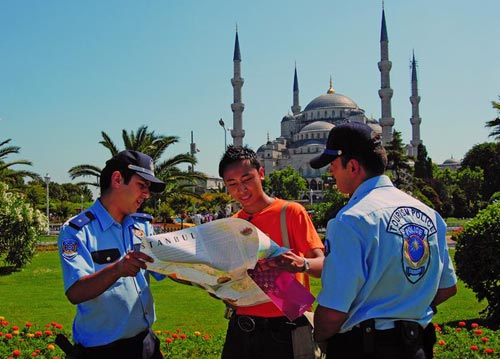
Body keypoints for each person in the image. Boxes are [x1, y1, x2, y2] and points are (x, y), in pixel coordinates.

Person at [310, 122, 457, 358]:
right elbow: (447, 287)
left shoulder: (351, 220)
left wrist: (320, 337)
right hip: (416, 346)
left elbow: (333, 311)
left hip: (365, 347)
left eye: (334, 165)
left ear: (353, 166)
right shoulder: (430, 216)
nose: (330, 172)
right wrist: (408, 310)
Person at [218, 145, 325, 359]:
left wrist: (301, 264)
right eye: (232, 184)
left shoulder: (290, 212)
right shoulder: (233, 223)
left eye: (247, 179)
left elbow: (322, 264)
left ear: (261, 174)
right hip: (243, 325)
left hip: (286, 325)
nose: (242, 189)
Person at [58, 150, 166, 359]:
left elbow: (165, 269)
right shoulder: (77, 231)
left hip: (145, 344)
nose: (146, 195)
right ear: (117, 179)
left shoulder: (141, 226)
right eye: (142, 186)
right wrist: (117, 269)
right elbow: (75, 292)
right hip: (102, 351)